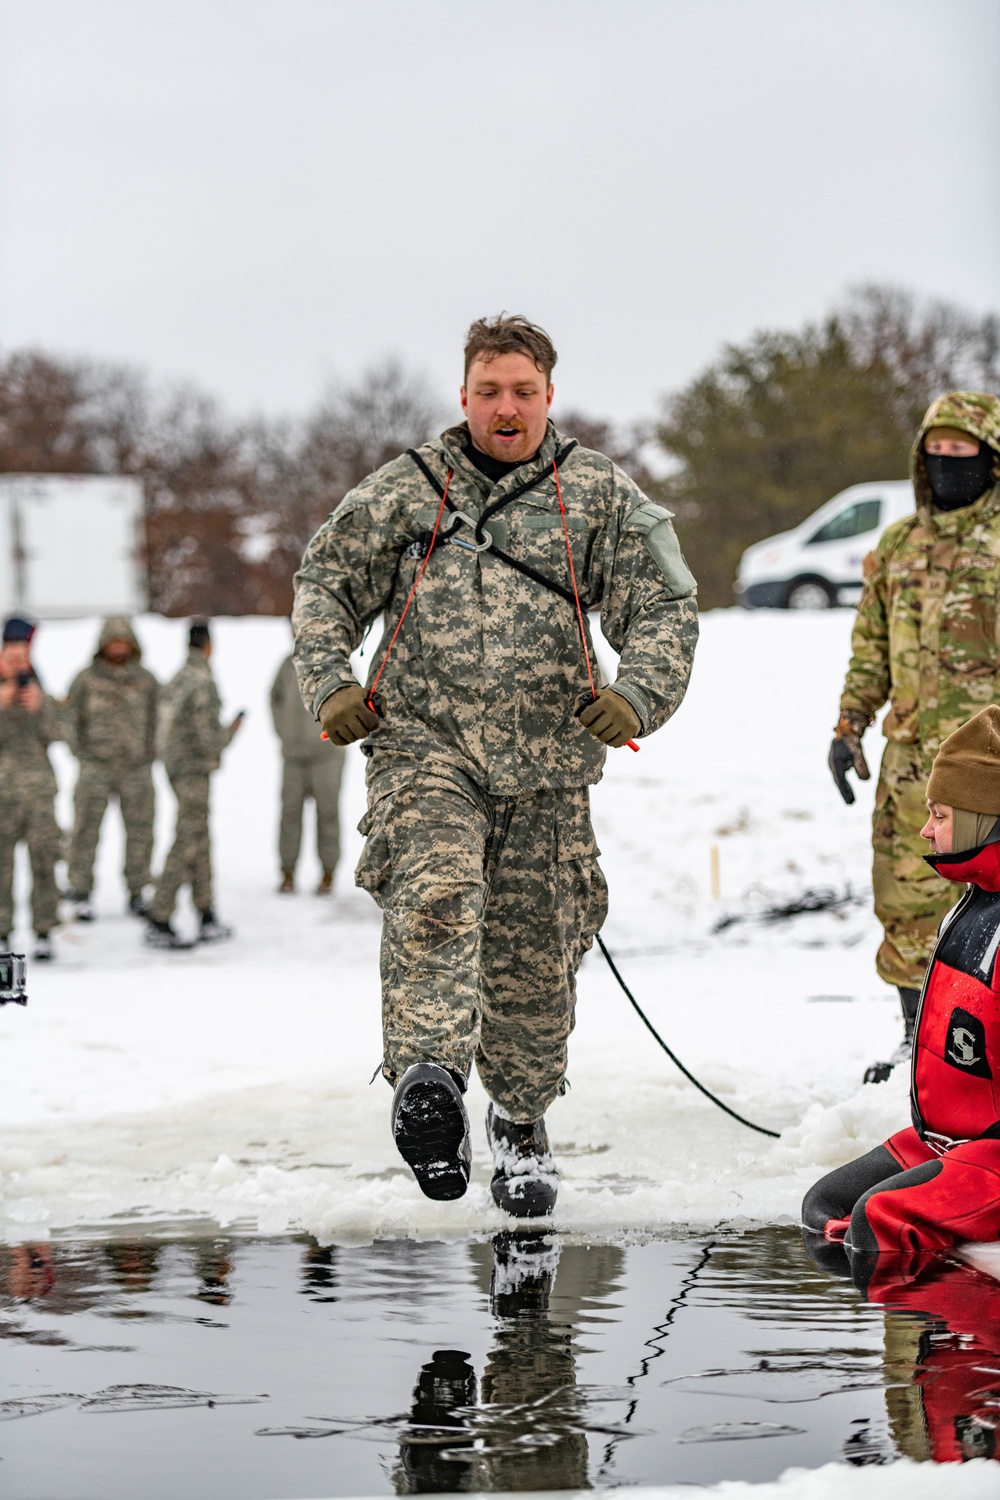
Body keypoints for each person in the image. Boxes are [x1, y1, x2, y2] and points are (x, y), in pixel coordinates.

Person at [293, 313, 698, 1216]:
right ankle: (429, 1087)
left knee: (533, 969)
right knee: (434, 898)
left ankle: (519, 1119)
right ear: (463, 396)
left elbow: (666, 606)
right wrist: (330, 683)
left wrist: (637, 698)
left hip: (548, 772)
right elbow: (323, 585)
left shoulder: (596, 497)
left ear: (550, 396)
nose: (505, 408)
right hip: (422, 749)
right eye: (488, 392)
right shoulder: (405, 494)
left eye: (522, 391)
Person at [830, 391, 1000, 1083]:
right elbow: (870, 647)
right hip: (910, 768)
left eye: (964, 452)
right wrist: (849, 726)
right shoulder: (898, 546)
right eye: (938, 452)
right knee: (904, 906)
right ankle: (917, 1043)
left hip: (989, 764)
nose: (949, 464)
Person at [804, 705, 1000, 1282]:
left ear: (983, 819)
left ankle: (960, 1347)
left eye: (940, 814)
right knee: (825, 1209)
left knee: (875, 1225)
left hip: (991, 1155)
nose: (925, 829)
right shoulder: (973, 898)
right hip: (944, 1139)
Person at [145, 619, 242, 948]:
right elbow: (207, 738)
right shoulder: (201, 681)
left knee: (199, 837)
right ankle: (159, 915)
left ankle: (206, 911)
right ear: (209, 645)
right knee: (188, 838)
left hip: (177, 768)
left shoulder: (177, 677)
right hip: (192, 771)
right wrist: (230, 732)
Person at [63, 616, 159, 920]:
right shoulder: (85, 680)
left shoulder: (146, 680)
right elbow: (68, 719)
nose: (118, 648)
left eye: (123, 641)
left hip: (136, 769)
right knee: (85, 831)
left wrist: (149, 752)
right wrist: (82, 753)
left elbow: (160, 719)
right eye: (112, 642)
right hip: (96, 768)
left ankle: (137, 888)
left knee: (141, 832)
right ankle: (80, 890)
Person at [0, 616, 63, 959]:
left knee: (44, 861)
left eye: (23, 653)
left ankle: (43, 929)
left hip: (39, 791)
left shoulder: (39, 684)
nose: (18, 661)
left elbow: (59, 734)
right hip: (2, 795)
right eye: (12, 654)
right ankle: (1, 931)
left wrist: (41, 708)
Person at [270, 648, 344, 894]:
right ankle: (288, 872)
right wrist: (285, 733)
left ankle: (328, 873)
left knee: (328, 813)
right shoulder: (287, 664)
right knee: (289, 814)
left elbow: (349, 703)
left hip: (326, 756)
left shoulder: (336, 662)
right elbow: (274, 699)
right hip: (293, 756)